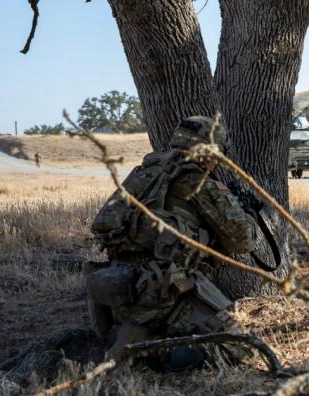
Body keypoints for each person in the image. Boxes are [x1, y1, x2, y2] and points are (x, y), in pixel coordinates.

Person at [86, 116, 256, 369]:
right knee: (240, 348)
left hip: (122, 285)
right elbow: (242, 242)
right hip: (166, 294)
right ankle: (154, 356)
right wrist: (247, 216)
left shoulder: (145, 176)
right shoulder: (196, 181)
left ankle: (142, 340)